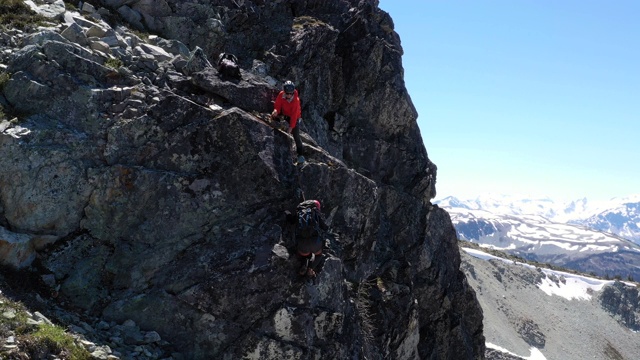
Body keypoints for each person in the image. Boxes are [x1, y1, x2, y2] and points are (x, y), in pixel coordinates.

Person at [271, 80, 305, 163]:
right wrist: (275, 110)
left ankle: (300, 154)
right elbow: (278, 105)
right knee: (275, 116)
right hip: (285, 114)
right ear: (284, 92)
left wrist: (291, 127)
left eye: (291, 93)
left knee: (296, 136)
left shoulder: (295, 101)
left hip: (294, 117)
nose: (289, 95)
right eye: (287, 93)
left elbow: (294, 115)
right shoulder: (281, 95)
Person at [293, 200, 329, 277]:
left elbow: (291, 221)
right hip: (315, 243)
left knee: (304, 254)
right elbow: (325, 227)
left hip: (302, 244)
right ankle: (310, 268)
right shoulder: (315, 213)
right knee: (319, 255)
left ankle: (303, 265)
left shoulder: (299, 213)